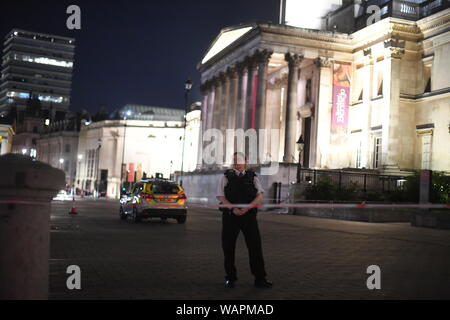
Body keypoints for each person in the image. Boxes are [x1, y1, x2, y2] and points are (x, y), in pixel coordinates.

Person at [216, 152, 272, 288]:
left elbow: (260, 195)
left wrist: (247, 208)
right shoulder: (225, 177)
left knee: (255, 247)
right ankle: (230, 278)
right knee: (228, 248)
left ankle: (260, 278)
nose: (236, 162)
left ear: (245, 161)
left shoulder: (253, 177)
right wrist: (232, 208)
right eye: (234, 159)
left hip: (249, 216)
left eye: (239, 159)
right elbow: (220, 196)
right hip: (230, 216)